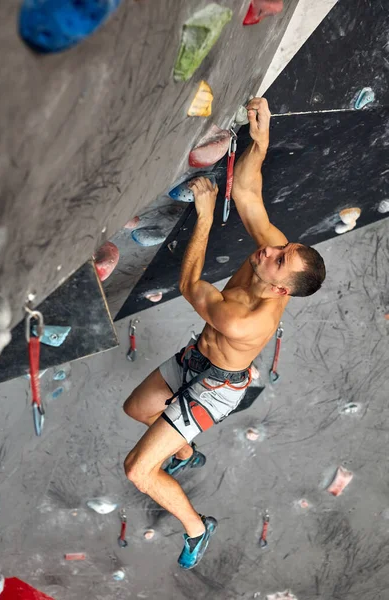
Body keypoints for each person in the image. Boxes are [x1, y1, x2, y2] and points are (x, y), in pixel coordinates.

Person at [123, 97, 326, 570]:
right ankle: (186, 452)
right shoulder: (273, 254)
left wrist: (206, 214)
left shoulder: (247, 318)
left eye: (280, 260)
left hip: (215, 388)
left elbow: (190, 285)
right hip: (200, 355)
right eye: (285, 247)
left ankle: (198, 527)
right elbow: (250, 195)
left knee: (138, 469)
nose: (272, 251)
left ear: (281, 289)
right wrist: (260, 142)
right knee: (136, 409)